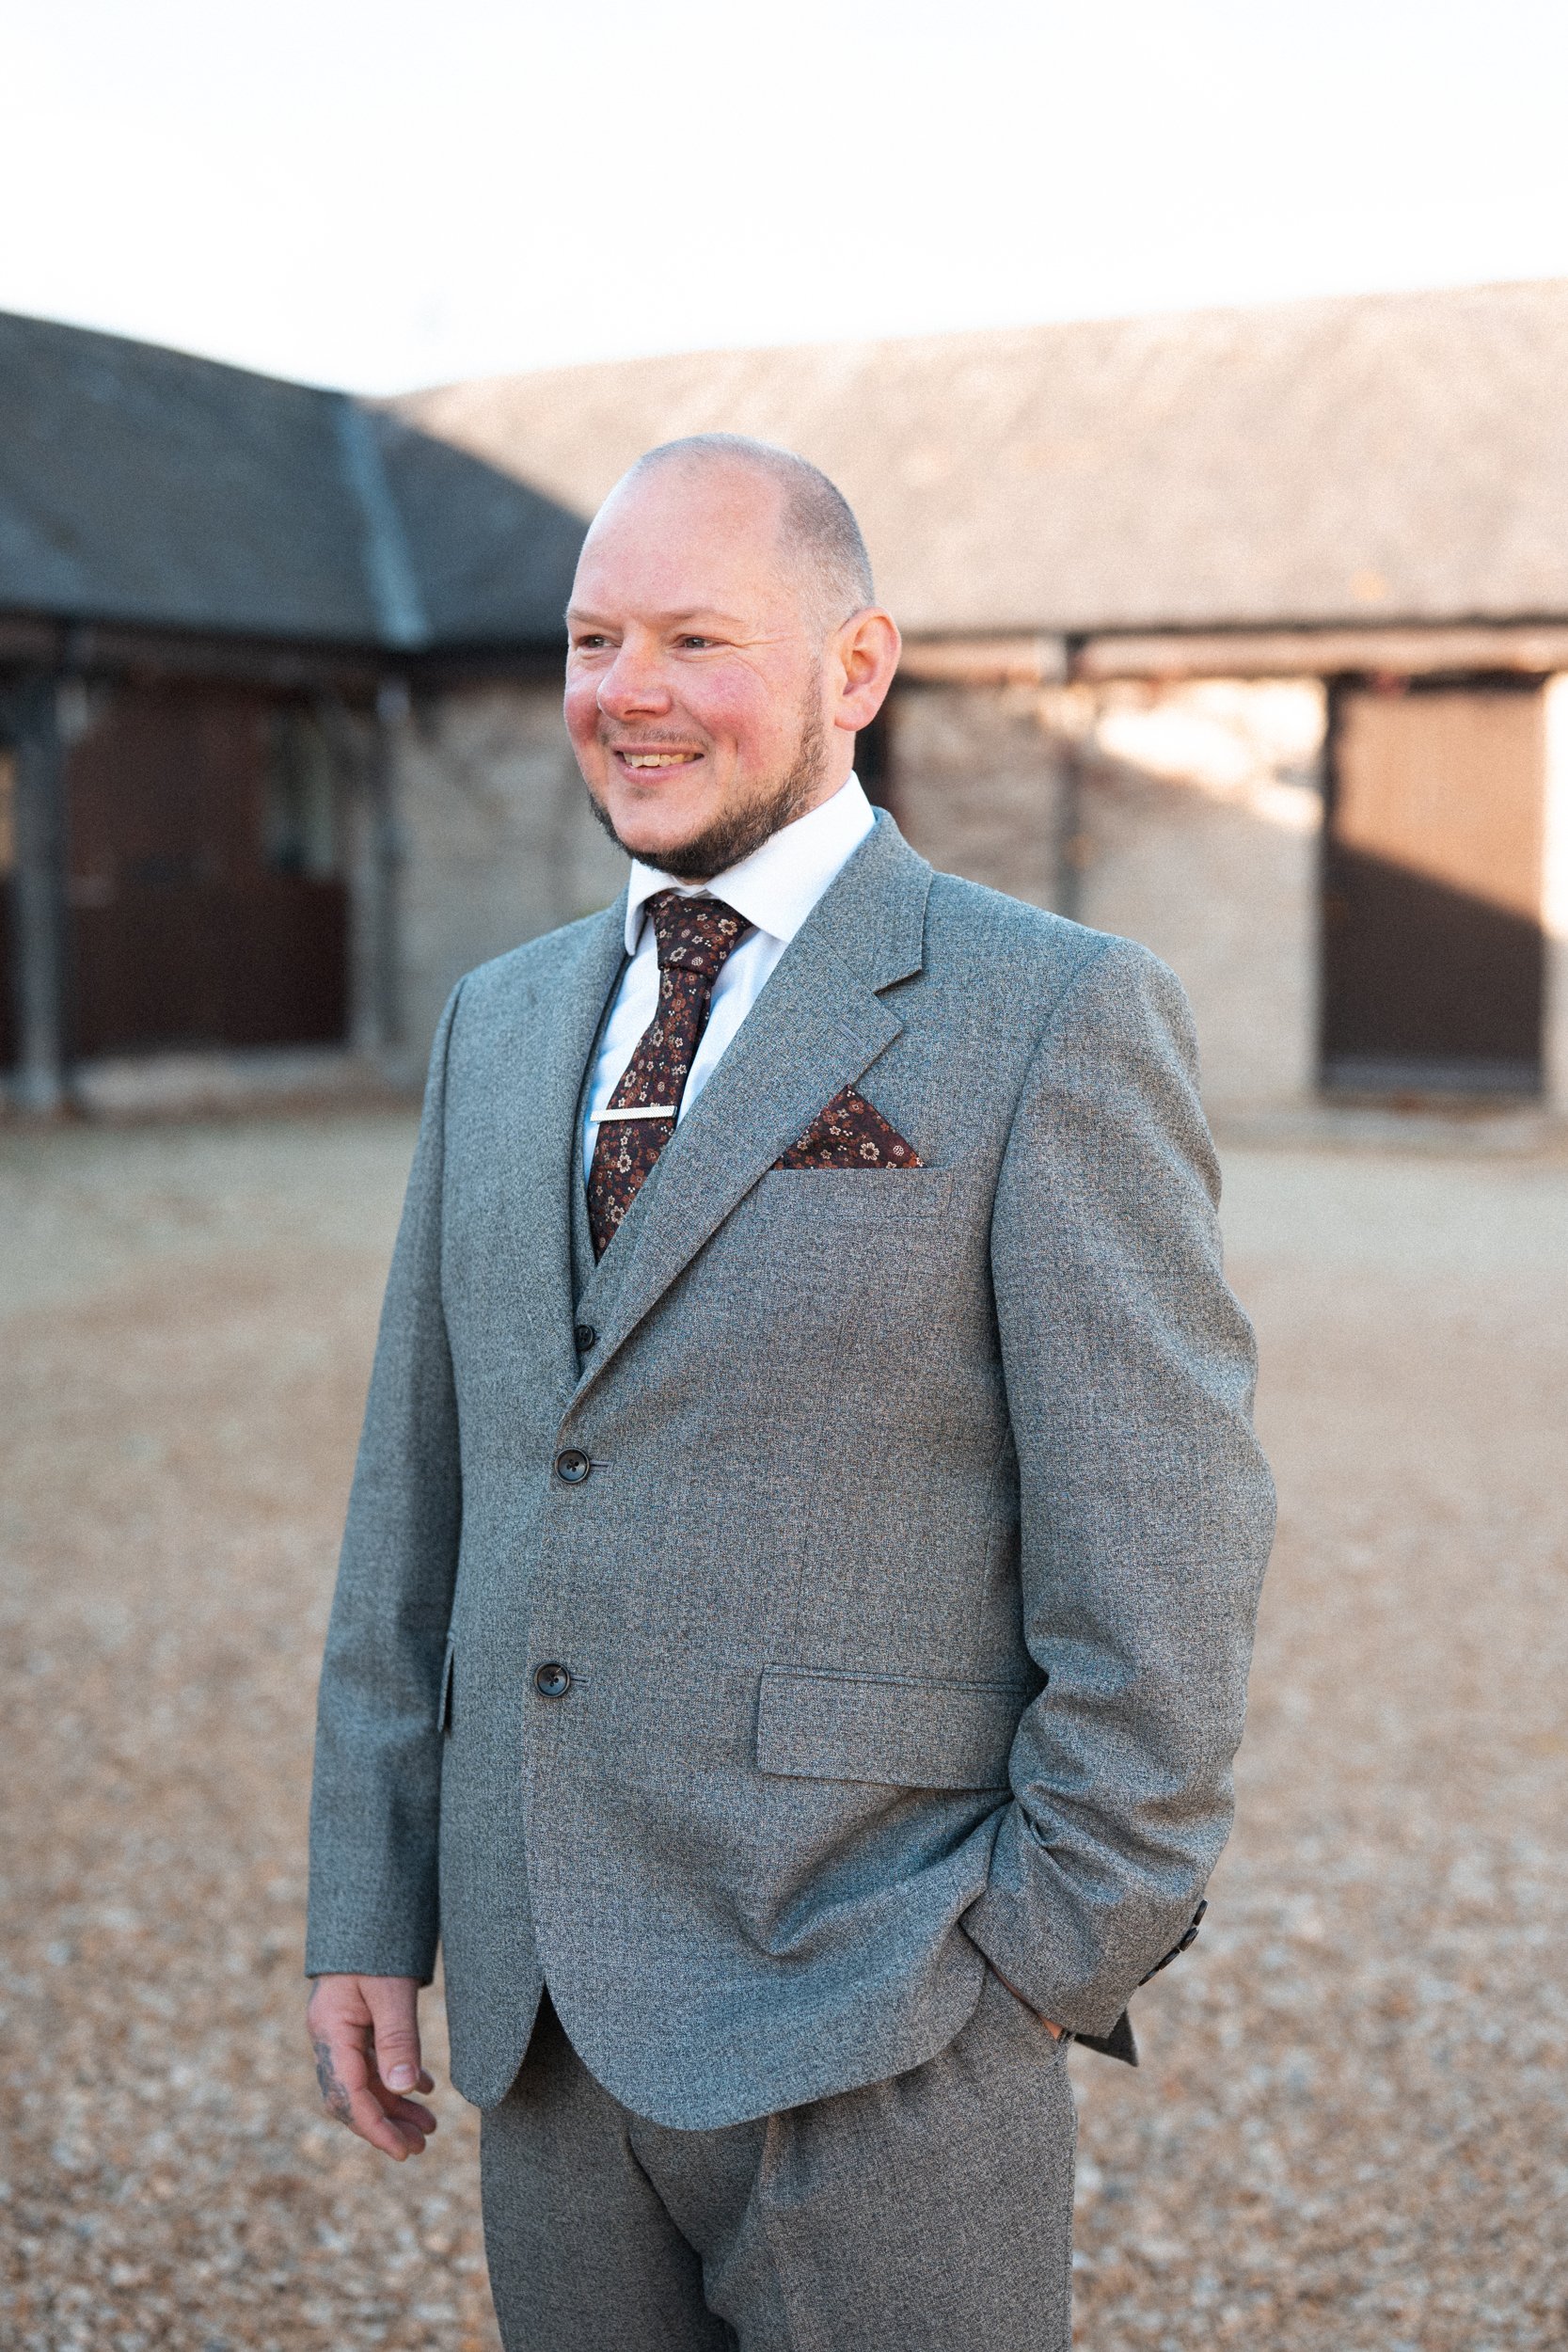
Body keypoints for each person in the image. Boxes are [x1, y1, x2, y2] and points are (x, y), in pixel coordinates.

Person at [305, 435, 1275, 2351]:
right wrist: (370, 1890)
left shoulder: (1049, 1013)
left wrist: (1041, 1950)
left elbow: (1163, 1529)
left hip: (883, 2007)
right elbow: (423, 1494)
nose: (629, 693)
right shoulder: (496, 1023)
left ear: (857, 665)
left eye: (696, 637)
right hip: (545, 2026)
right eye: (594, 638)